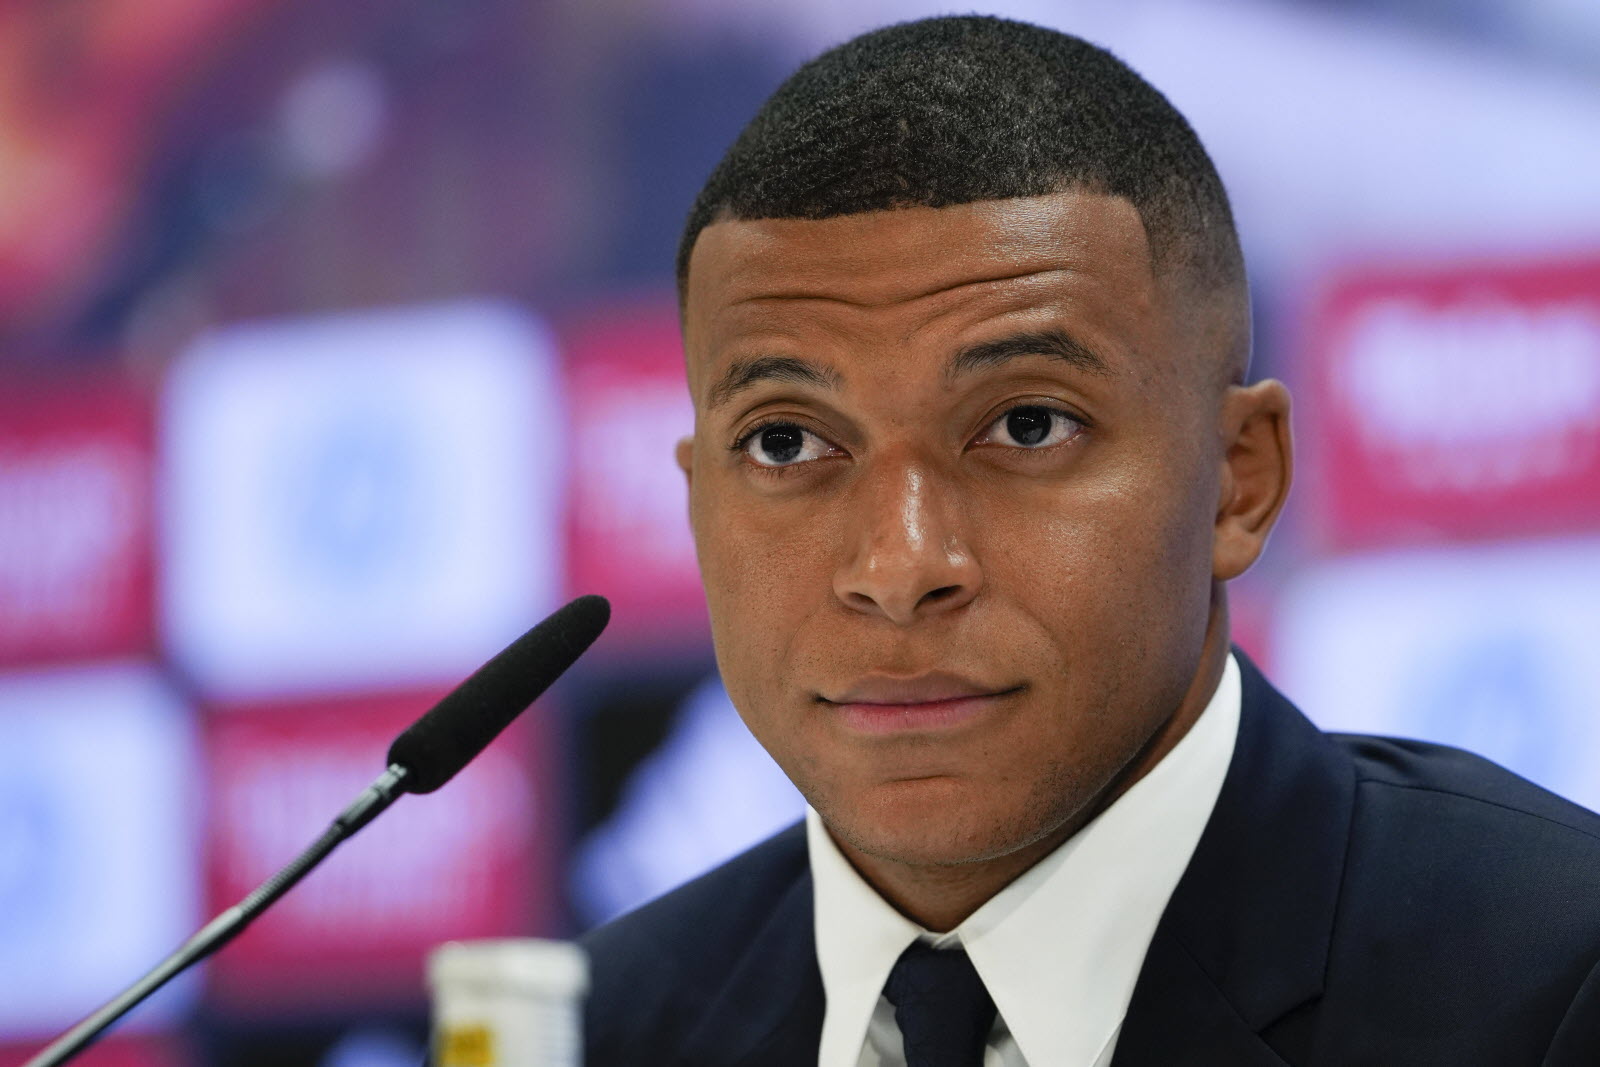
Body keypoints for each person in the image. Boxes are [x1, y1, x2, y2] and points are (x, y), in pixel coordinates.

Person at [580, 15, 1600, 1066]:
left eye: (1028, 425)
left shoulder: (1559, 983)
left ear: (1239, 479)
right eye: (785, 441)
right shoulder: (588, 1032)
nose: (900, 567)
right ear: (697, 505)